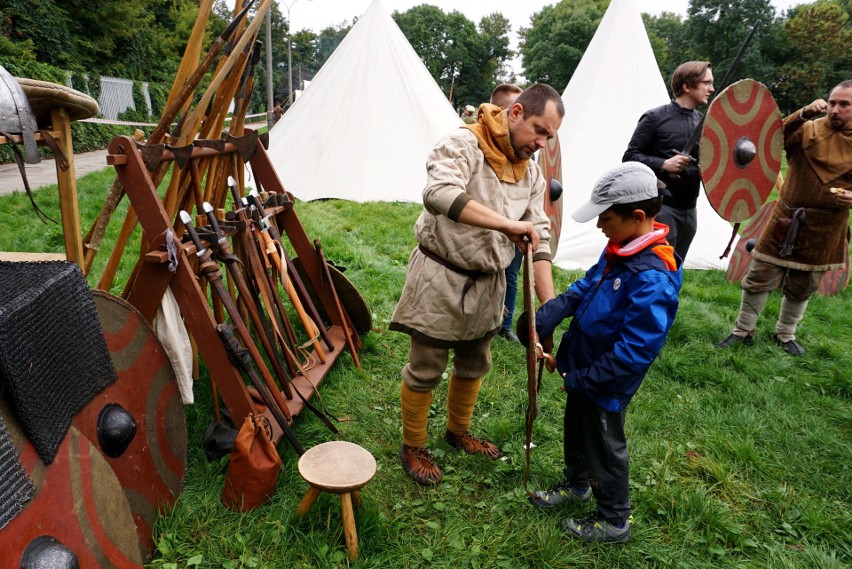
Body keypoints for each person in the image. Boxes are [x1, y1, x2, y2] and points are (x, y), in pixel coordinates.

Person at [390, 84, 565, 486]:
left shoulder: (532, 172)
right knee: (427, 365)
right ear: (516, 113)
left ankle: (457, 432)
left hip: (489, 281)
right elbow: (439, 193)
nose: (540, 144)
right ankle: (413, 444)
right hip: (441, 274)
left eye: (549, 138)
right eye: (538, 130)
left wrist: (550, 308)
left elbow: (539, 237)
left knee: (474, 363)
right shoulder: (463, 143)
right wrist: (506, 224)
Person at [529, 162, 682, 543]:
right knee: (576, 430)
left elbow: (634, 350)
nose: (600, 227)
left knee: (603, 444)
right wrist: (558, 307)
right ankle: (577, 484)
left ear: (638, 216)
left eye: (606, 219)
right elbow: (590, 284)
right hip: (584, 367)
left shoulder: (653, 277)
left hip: (606, 379)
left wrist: (587, 378)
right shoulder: (620, 246)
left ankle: (615, 519)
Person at [716, 81, 852, 355]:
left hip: (826, 227)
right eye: (833, 102)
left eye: (844, 104)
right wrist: (802, 113)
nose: (835, 109)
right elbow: (774, 136)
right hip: (785, 219)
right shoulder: (808, 131)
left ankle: (785, 334)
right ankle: (742, 331)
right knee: (759, 274)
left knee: (804, 284)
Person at [623, 61, 714, 263]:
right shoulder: (654, 118)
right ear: (687, 86)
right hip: (661, 209)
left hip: (690, 210)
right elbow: (630, 157)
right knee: (657, 270)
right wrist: (664, 164)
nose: (711, 89)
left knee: (675, 272)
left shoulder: (705, 123)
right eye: (706, 83)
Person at [489, 84, 525, 342]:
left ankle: (505, 324)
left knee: (510, 275)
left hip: (516, 225)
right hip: (487, 225)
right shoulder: (478, 144)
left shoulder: (525, 148)